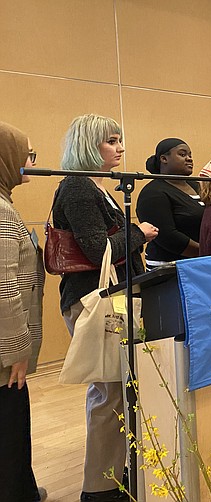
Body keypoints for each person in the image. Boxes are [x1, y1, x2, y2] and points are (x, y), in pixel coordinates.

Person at [53, 114, 158, 501]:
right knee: (109, 392)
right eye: (111, 141)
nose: (120, 148)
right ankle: (99, 488)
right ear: (88, 145)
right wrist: (139, 233)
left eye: (118, 140)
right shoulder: (78, 187)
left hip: (109, 298)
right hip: (91, 301)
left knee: (117, 390)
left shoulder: (96, 187)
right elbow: (100, 249)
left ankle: (113, 474)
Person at [0, 122, 46, 502]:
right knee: (9, 431)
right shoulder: (1, 211)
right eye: (26, 155)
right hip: (3, 356)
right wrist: (16, 352)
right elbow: (4, 289)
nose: (30, 163)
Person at [136, 138, 204, 268]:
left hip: (201, 261)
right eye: (182, 154)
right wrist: (206, 252)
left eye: (190, 155)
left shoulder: (197, 185)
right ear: (164, 159)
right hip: (169, 266)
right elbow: (167, 236)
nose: (189, 159)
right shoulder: (153, 192)